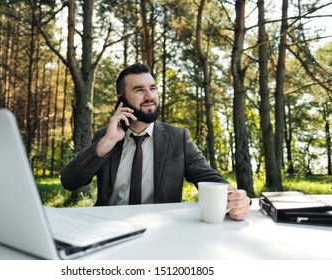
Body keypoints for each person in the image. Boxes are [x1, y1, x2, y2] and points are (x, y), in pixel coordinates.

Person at [61, 62, 251, 220]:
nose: (149, 96)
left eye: (152, 88)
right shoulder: (106, 137)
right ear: (121, 100)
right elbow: (69, 181)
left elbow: (210, 179)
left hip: (162, 231)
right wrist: (107, 142)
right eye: (139, 90)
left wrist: (236, 198)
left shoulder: (178, 138)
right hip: (107, 228)